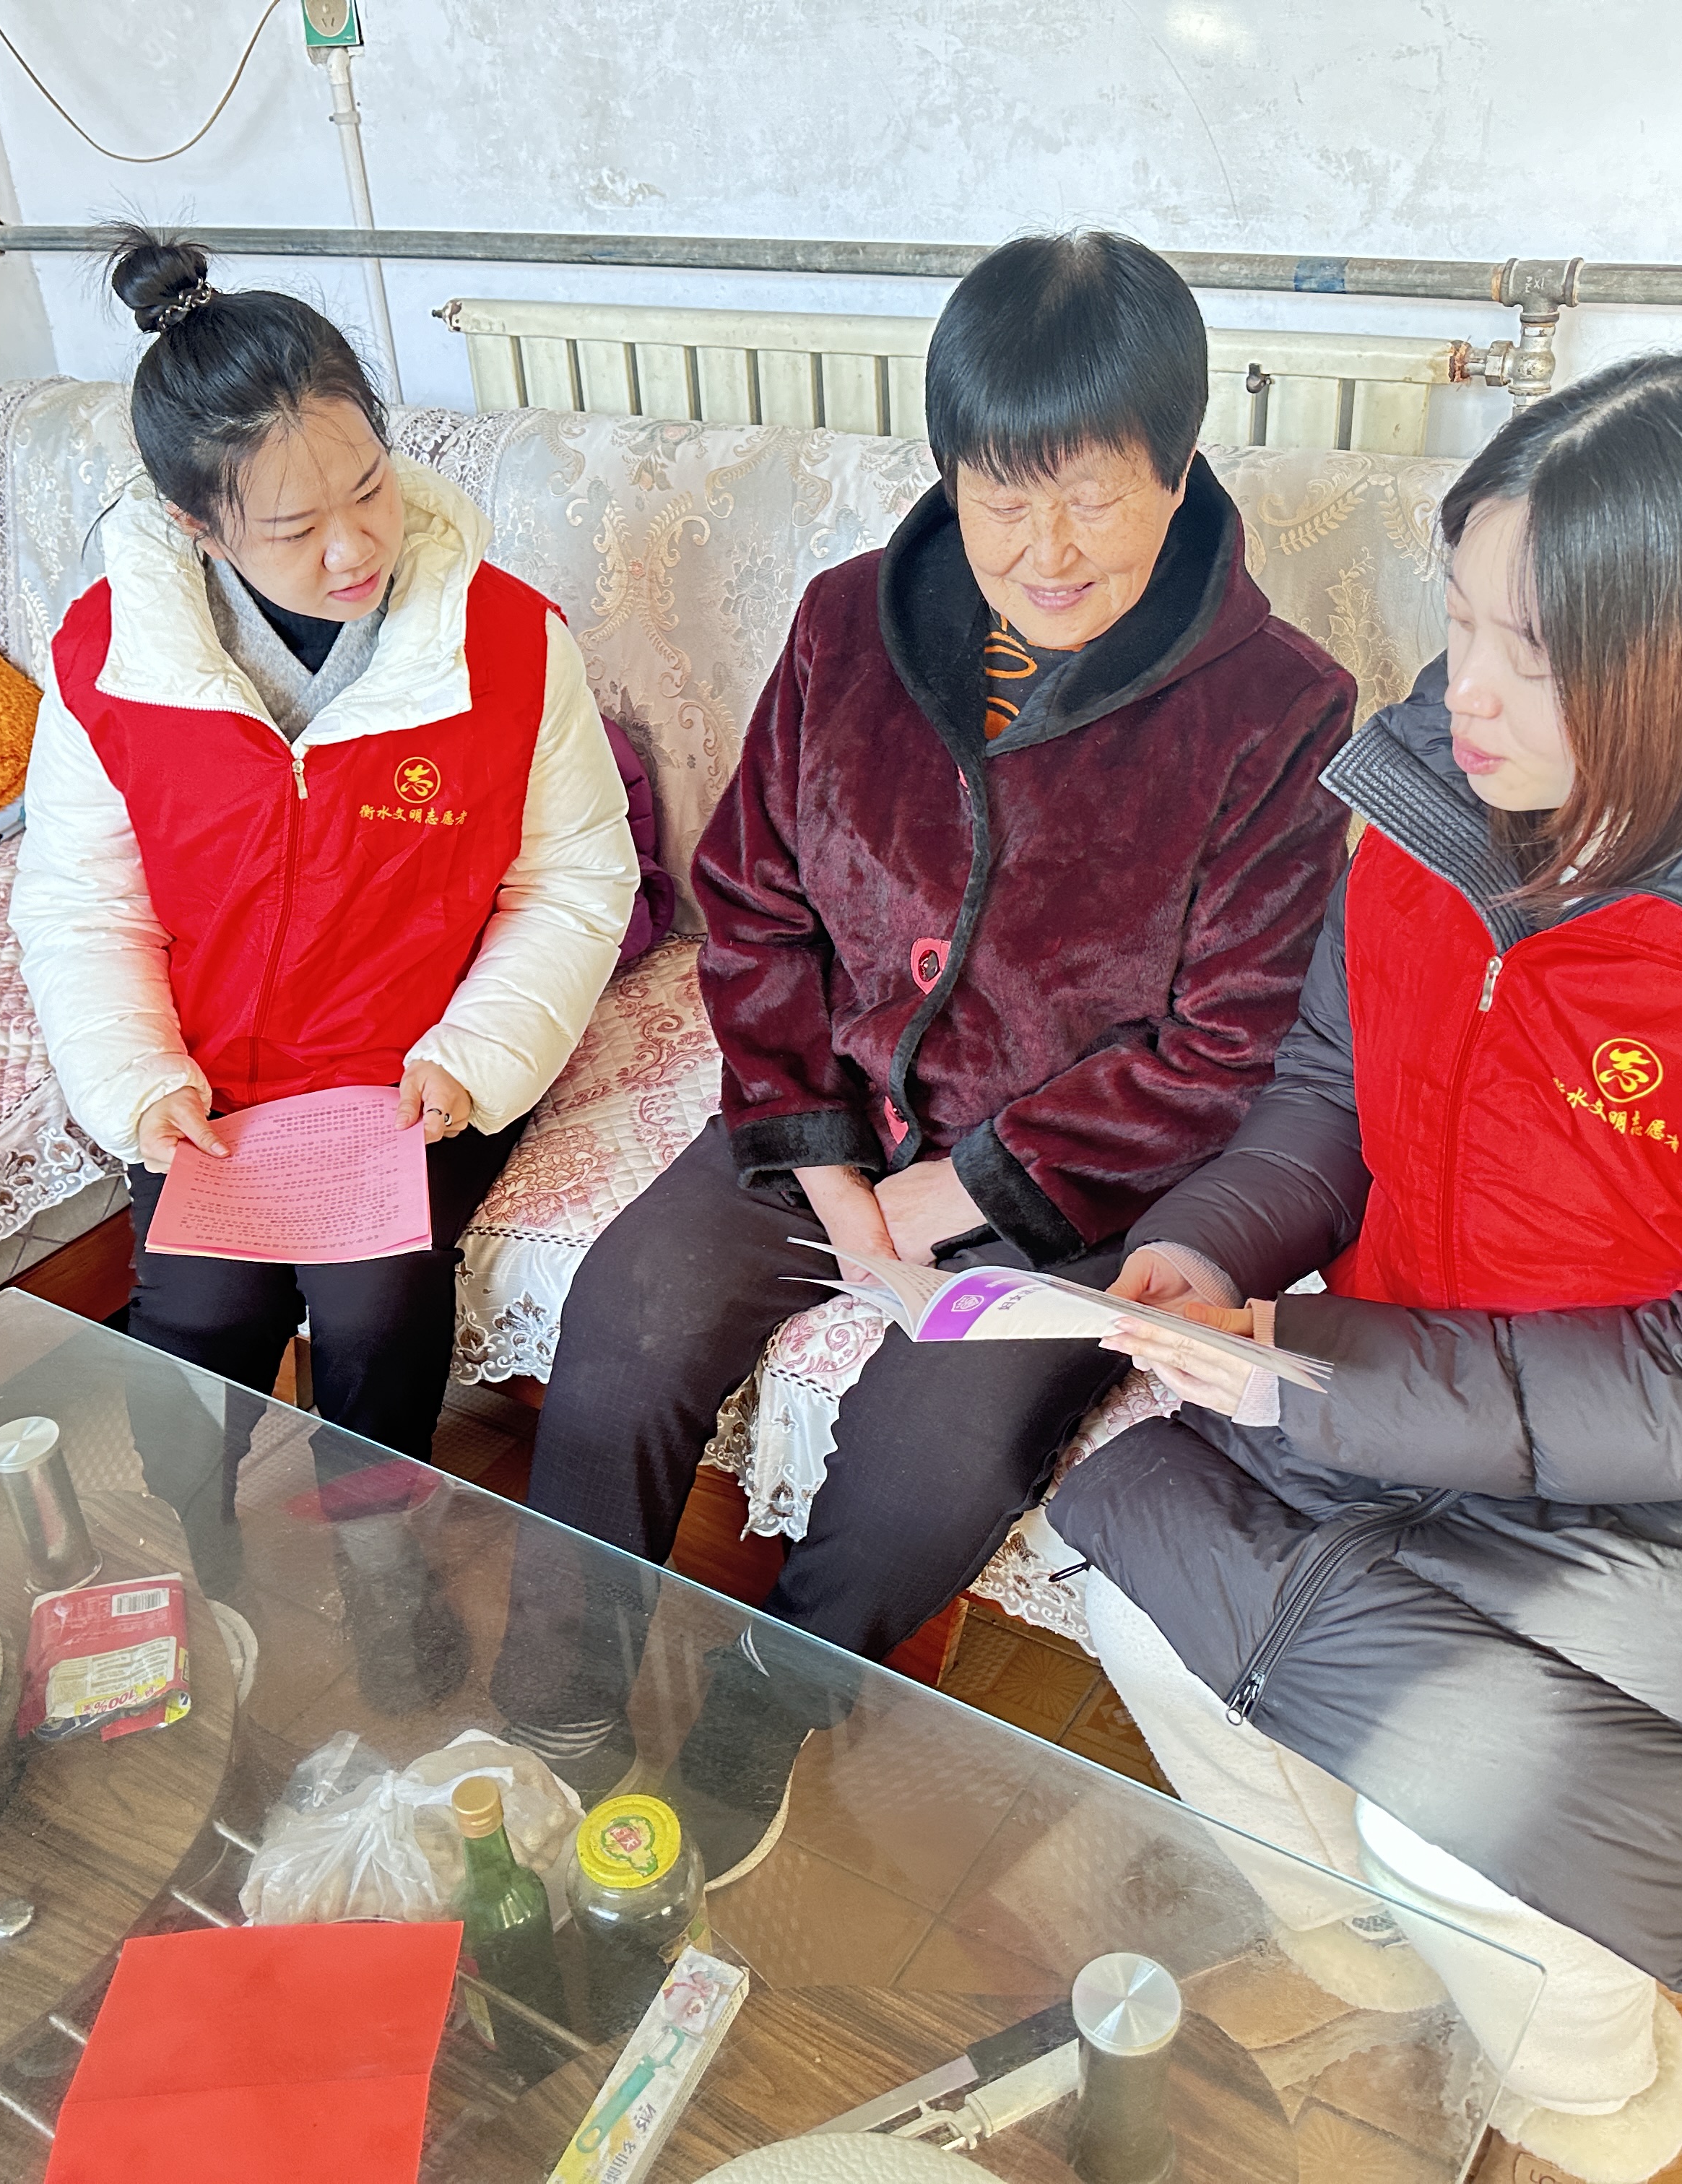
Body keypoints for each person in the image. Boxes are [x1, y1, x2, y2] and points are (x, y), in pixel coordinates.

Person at [1050, 350, 1682, 2184]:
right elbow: (1328, 1092)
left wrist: (1325, 1375)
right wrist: (1209, 1245)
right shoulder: (1436, 818)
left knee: (1454, 1818)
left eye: (1533, 653)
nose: (1463, 691)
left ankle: (1597, 2106)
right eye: (1458, 619)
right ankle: (1373, 1973)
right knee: (1138, 1598)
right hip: (1435, 1374)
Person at [494, 231, 1358, 1880]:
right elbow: (755, 907)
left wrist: (955, 1199)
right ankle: (557, 1716)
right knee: (627, 1320)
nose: (1047, 550)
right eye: (1002, 496)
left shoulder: (1278, 714)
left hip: (1072, 1187)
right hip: (820, 1116)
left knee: (926, 1464)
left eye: (1092, 496)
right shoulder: (848, 626)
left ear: (1180, 469)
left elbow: (1228, 1046)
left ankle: (762, 1715)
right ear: (951, 473)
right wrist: (828, 1166)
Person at [11, 231, 638, 1700]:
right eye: (296, 528)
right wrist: (141, 1081)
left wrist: (471, 1061)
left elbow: (572, 880)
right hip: (214, 1082)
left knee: (374, 1311)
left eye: (369, 487)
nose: (355, 547)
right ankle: (196, 1565)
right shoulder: (108, 660)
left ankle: (381, 1566)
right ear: (198, 524)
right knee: (193, 1323)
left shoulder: (507, 642)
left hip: (412, 1075)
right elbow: (83, 907)